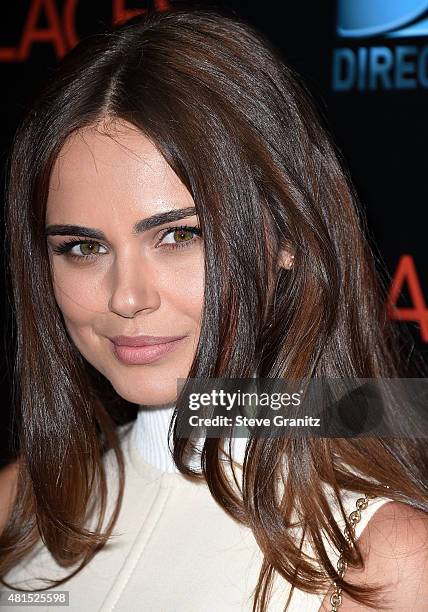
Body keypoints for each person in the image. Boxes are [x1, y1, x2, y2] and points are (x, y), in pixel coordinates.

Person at [0, 7, 427, 611]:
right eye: (83, 247)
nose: (126, 297)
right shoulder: (16, 511)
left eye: (178, 236)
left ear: (286, 238)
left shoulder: (385, 564)